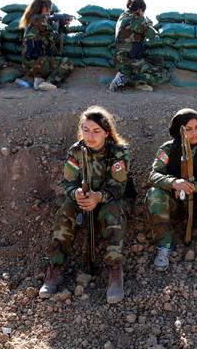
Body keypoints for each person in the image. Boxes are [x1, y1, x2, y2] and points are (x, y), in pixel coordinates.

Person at [39, 106, 133, 304]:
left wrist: (99, 197)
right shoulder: (76, 151)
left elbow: (119, 186)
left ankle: (115, 270)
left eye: (96, 131)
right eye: (86, 130)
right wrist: (78, 194)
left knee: (112, 214)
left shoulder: (119, 152)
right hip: (84, 199)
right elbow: (67, 183)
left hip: (112, 198)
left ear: (107, 133)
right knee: (65, 211)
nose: (90, 136)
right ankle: (55, 268)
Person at [146, 108, 197, 273]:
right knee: (154, 194)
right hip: (175, 202)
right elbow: (153, 175)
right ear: (178, 130)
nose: (194, 132)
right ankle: (164, 245)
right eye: (188, 129)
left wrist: (194, 187)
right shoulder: (167, 149)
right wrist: (174, 183)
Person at [109, 0, 169, 92]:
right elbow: (152, 34)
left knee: (158, 61)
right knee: (159, 76)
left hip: (123, 57)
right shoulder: (135, 19)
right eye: (143, 12)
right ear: (140, 10)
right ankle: (124, 78)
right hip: (126, 60)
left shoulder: (124, 15)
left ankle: (134, 80)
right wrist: (148, 23)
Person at [19, 0, 74, 91]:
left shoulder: (31, 20)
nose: (50, 12)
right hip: (36, 63)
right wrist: (58, 26)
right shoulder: (40, 19)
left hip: (27, 65)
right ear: (44, 8)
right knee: (68, 62)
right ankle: (48, 82)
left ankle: (38, 80)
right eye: (49, 9)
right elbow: (54, 39)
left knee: (48, 57)